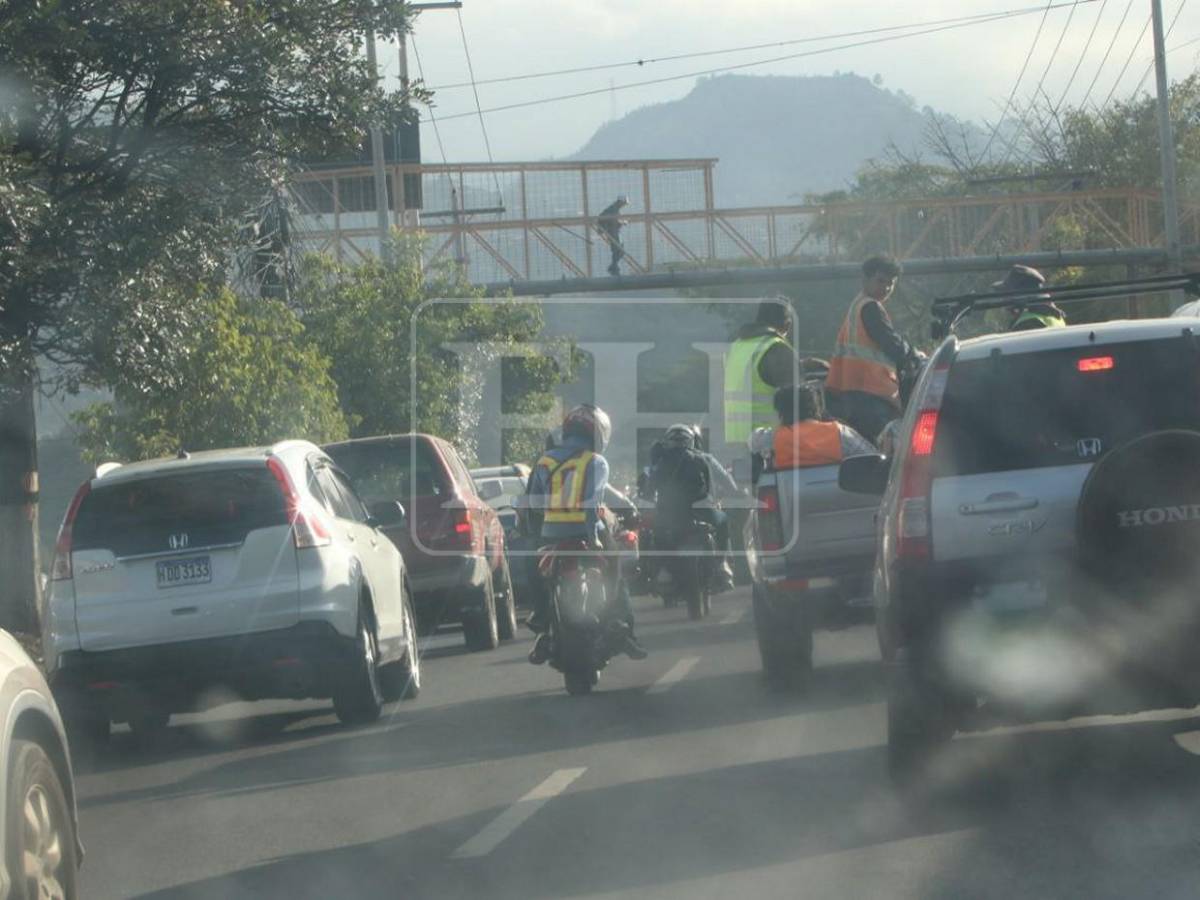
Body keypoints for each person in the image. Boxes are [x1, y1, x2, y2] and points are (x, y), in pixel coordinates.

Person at [524, 404, 646, 663]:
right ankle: (620, 624)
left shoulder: (545, 461)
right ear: (598, 435)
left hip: (552, 535)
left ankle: (541, 619)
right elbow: (593, 502)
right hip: (589, 533)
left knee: (536, 568)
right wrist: (593, 539)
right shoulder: (596, 462)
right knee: (616, 568)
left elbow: (533, 504)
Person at [826, 255, 923, 444]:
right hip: (871, 394)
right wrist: (914, 355)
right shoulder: (870, 307)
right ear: (865, 279)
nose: (886, 288)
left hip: (854, 392)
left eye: (891, 283)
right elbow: (891, 343)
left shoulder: (858, 305)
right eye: (880, 281)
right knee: (892, 446)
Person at [724, 298, 805, 478]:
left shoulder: (736, 347)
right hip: (769, 447)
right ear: (787, 324)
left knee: (748, 502)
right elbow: (799, 402)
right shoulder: (777, 349)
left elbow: (756, 378)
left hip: (737, 445)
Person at [647, 424, 734, 591]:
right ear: (692, 441)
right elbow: (724, 483)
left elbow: (649, 489)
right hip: (702, 511)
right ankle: (722, 564)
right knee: (723, 521)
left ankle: (664, 570)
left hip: (668, 513)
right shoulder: (704, 458)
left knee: (656, 532)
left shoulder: (659, 461)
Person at [751, 384, 875, 471]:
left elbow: (752, 443)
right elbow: (872, 457)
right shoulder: (839, 432)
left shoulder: (773, 438)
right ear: (816, 408)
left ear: (781, 413)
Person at [994, 264, 1067, 330]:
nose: (1004, 298)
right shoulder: (1055, 316)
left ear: (1019, 297)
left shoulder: (1026, 323)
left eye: (1008, 293)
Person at [597, 195, 629, 276]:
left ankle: (614, 266)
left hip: (614, 231)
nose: (624, 205)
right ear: (620, 202)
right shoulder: (613, 209)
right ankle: (613, 266)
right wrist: (623, 222)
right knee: (619, 250)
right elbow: (614, 221)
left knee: (618, 250)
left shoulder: (613, 209)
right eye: (624, 203)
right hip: (613, 232)